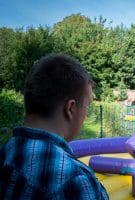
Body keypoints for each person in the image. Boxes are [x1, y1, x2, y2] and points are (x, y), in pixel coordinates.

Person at [0, 54, 109, 199]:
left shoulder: (6, 152)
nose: (86, 115)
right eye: (87, 106)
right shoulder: (75, 180)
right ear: (70, 108)